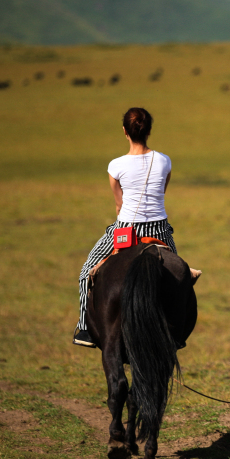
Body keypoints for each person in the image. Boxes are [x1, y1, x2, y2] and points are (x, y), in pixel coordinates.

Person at [73, 108, 175, 348]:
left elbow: (119, 204)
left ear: (125, 132)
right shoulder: (164, 160)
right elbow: (161, 193)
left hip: (126, 231)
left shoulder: (115, 166)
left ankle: (84, 329)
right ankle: (174, 327)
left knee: (86, 272)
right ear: (149, 130)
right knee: (179, 276)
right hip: (159, 229)